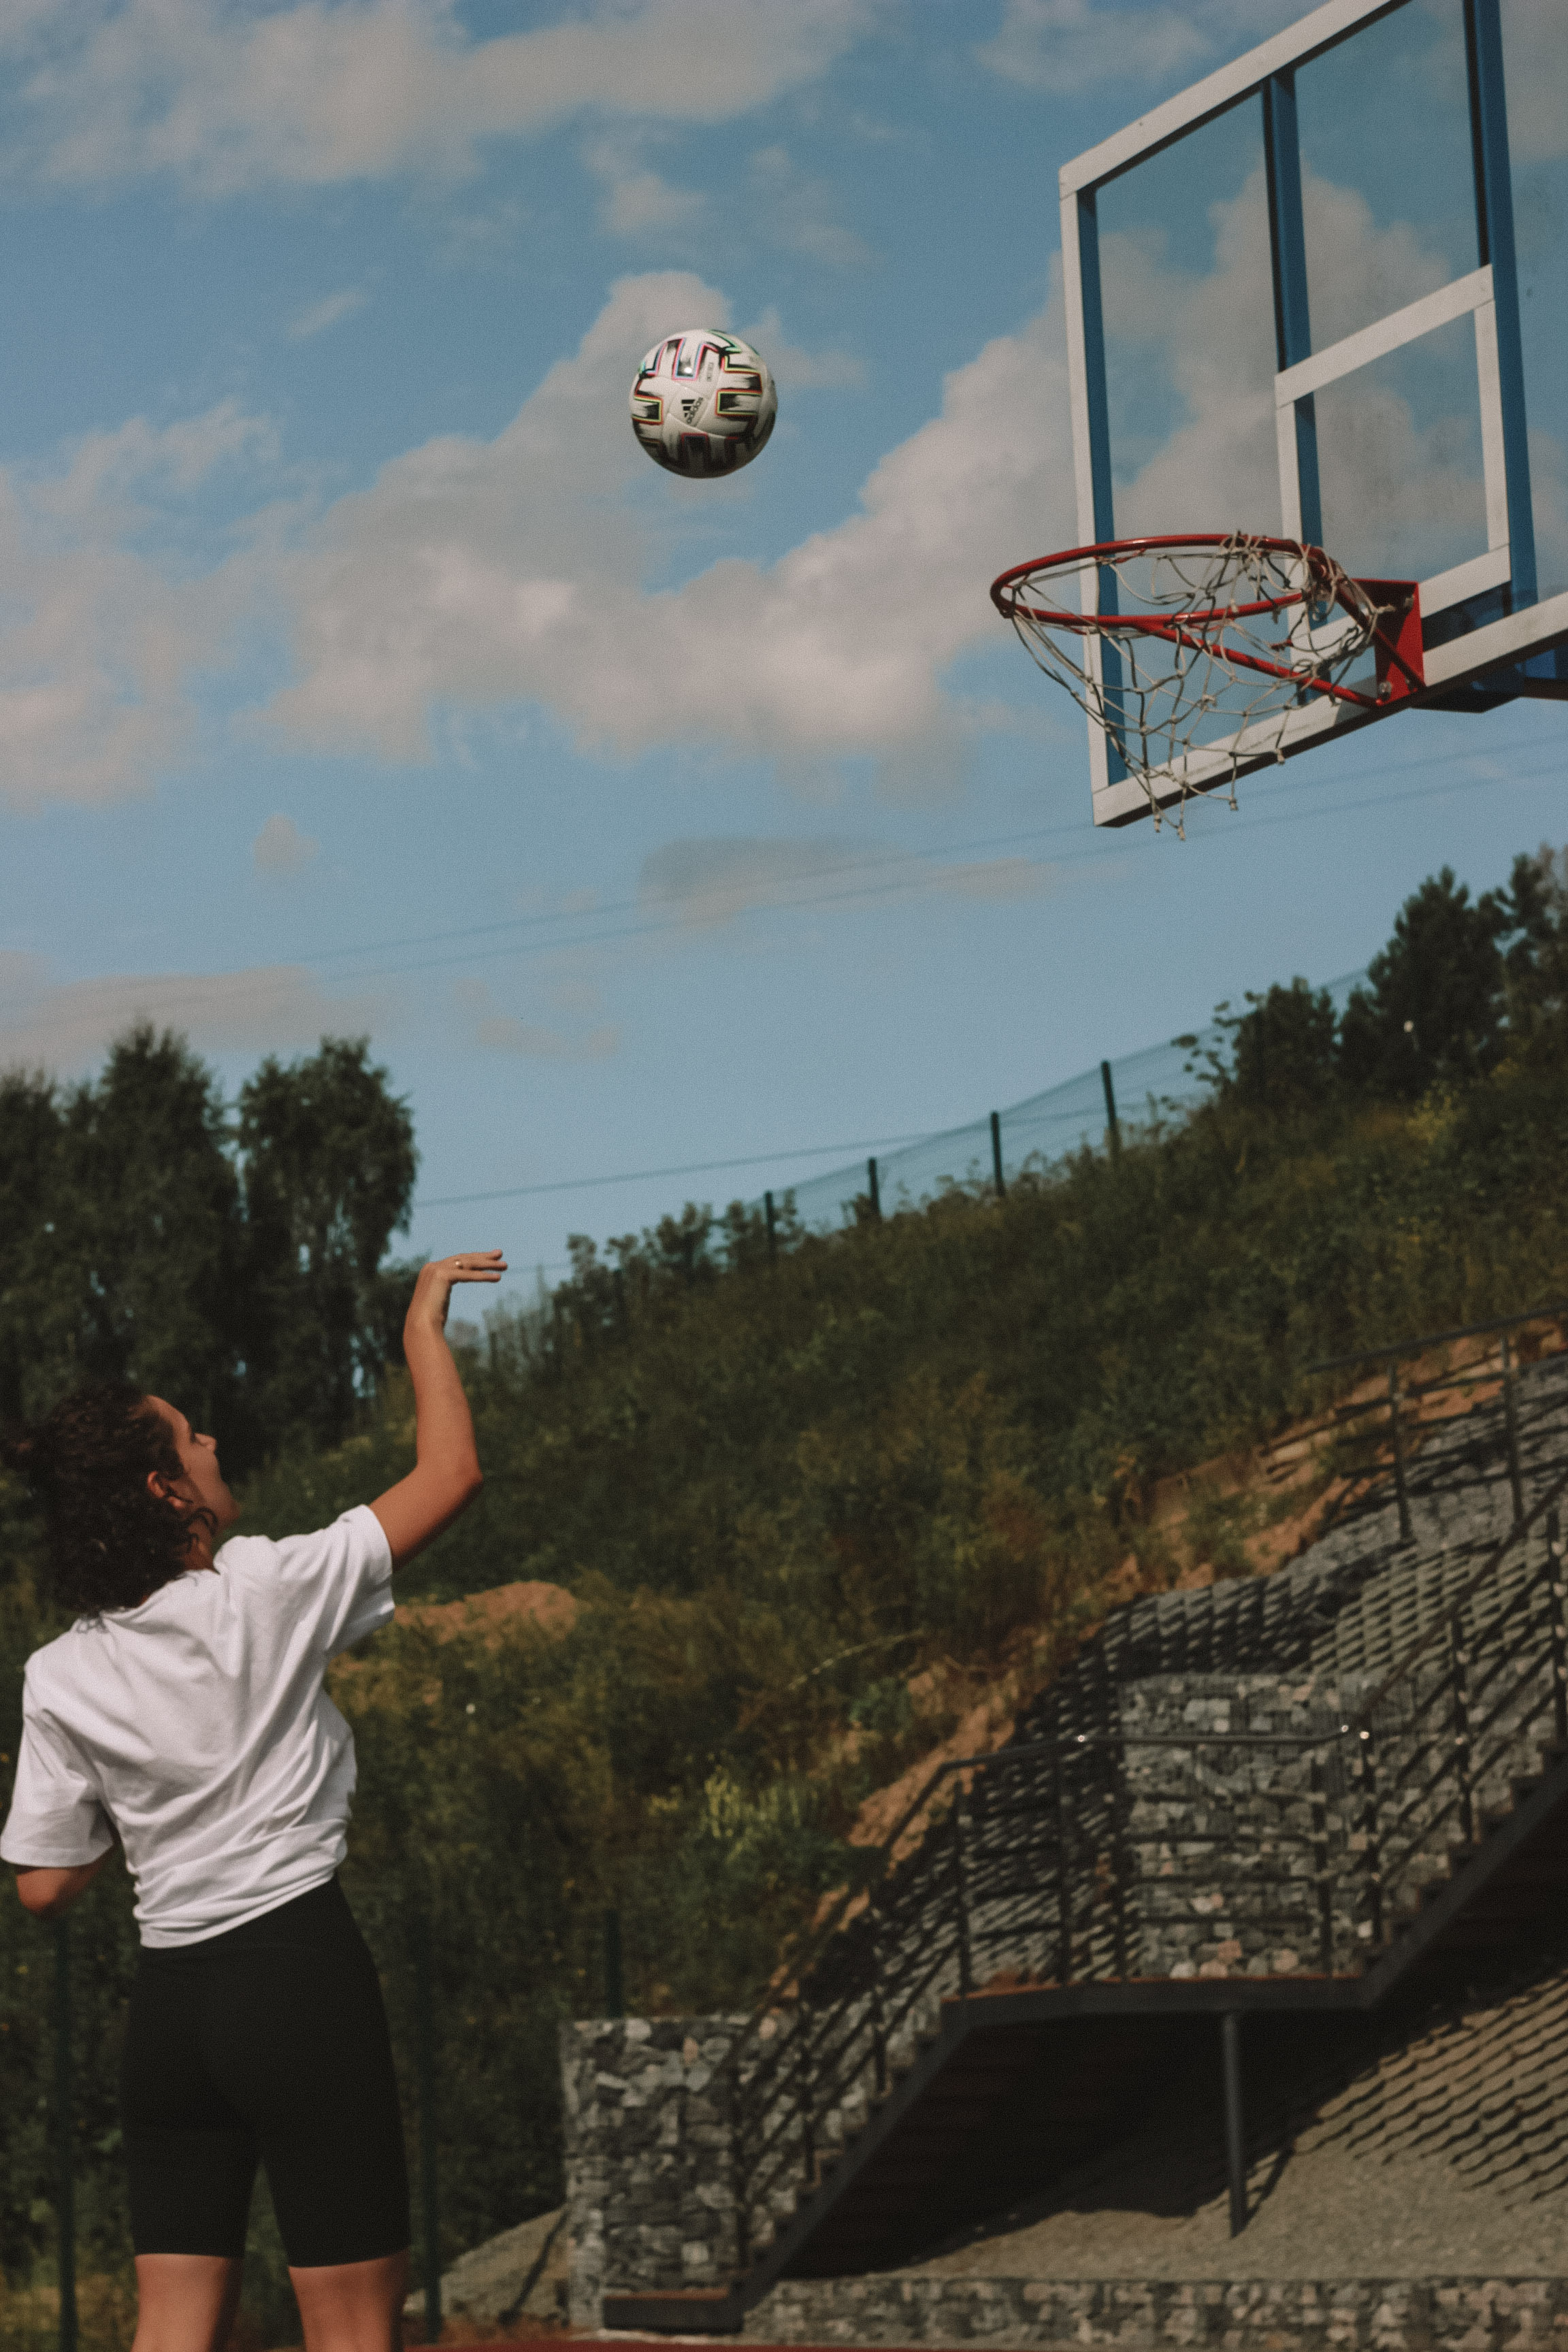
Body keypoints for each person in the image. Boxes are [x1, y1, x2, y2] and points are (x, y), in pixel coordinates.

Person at [0, 1249, 506, 2352]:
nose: (213, 1441)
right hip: (297, 1982)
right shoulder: (264, 1589)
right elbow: (452, 1474)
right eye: (192, 1436)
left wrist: (142, 1808)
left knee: (171, 2330)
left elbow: (41, 1886)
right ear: (165, 1489)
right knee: (352, 2332)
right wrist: (423, 1327)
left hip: (172, 2015)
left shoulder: (60, 1673)